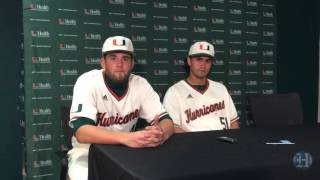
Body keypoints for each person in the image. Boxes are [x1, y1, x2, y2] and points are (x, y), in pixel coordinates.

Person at [67, 35, 174, 180]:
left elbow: (166, 121)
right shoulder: (88, 81)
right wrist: (127, 138)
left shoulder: (140, 84)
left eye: (125, 58)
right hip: (88, 149)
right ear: (103, 62)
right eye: (113, 58)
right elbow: (82, 132)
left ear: (132, 63)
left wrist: (161, 134)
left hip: (127, 149)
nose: (119, 63)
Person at [163, 41, 239, 133]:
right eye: (199, 59)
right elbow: (173, 128)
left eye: (208, 61)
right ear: (189, 61)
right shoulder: (174, 92)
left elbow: (233, 122)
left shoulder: (221, 89)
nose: (203, 65)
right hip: (191, 144)